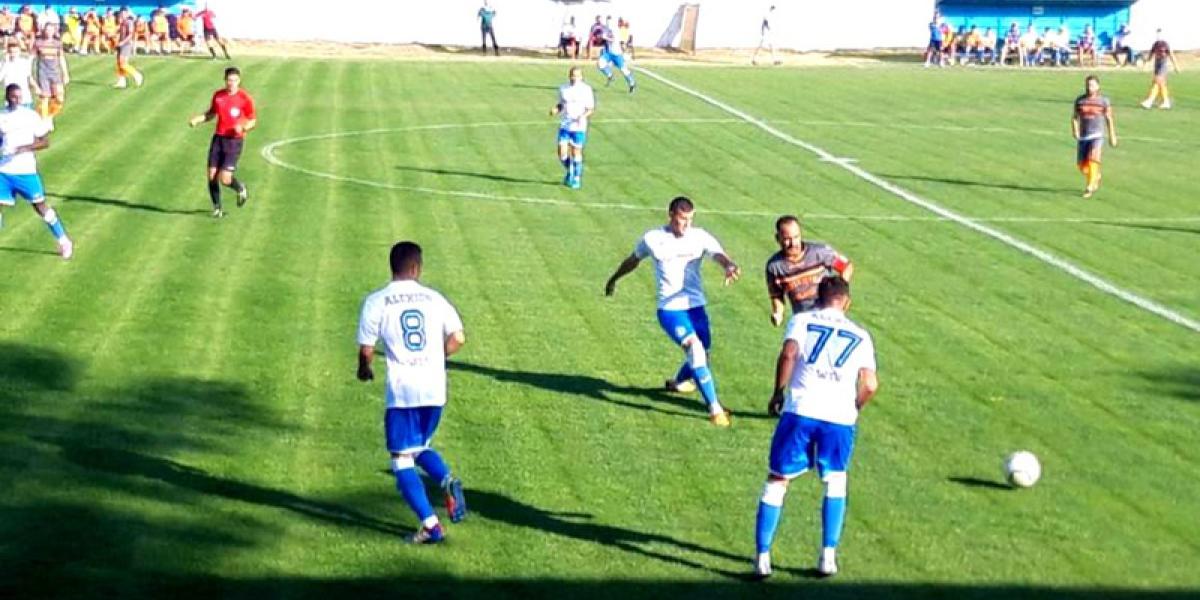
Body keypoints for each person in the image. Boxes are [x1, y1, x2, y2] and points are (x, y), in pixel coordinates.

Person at [753, 276, 878, 578]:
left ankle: (762, 558)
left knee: (778, 479)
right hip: (840, 417)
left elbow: (789, 354)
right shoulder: (861, 335)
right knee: (835, 480)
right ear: (847, 302)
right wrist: (854, 407)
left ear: (817, 298)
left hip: (801, 409)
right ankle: (828, 557)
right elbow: (871, 384)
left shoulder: (802, 320)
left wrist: (777, 392)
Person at [356, 241, 469, 544]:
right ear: (417, 268)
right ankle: (446, 480)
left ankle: (431, 526)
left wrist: (364, 369)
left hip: (404, 391)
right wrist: (437, 358)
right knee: (420, 445)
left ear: (392, 266)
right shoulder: (435, 298)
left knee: (400, 458)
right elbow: (459, 337)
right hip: (435, 388)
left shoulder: (377, 301)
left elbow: (367, 350)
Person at [605, 196, 742, 427]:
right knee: (695, 349)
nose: (686, 225)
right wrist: (614, 279)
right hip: (670, 310)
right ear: (670, 215)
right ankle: (715, 408)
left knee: (703, 354)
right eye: (681, 219)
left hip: (696, 306)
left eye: (690, 219)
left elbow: (718, 254)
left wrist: (729, 265)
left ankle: (678, 383)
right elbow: (633, 260)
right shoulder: (653, 239)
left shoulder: (699, 236)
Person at [0, 83, 72, 259]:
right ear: (7, 97)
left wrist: (23, 148)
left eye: (19, 97)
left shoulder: (30, 116)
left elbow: (44, 142)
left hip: (26, 172)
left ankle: (63, 240)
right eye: (13, 97)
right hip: (4, 172)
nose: (17, 100)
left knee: (40, 206)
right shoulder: (1, 116)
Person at [188, 66, 254, 218]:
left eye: (235, 80)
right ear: (225, 80)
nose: (232, 83)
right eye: (229, 80)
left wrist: (243, 127)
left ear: (239, 80)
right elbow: (211, 113)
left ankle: (240, 188)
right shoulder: (218, 96)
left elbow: (252, 119)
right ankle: (217, 208)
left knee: (225, 179)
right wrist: (198, 119)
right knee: (212, 175)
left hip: (234, 142)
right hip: (218, 139)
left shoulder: (245, 98)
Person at [765, 215, 853, 326]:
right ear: (778, 238)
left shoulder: (820, 252)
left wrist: (839, 290)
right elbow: (777, 295)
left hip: (827, 319)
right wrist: (778, 313)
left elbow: (846, 266)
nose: (793, 243)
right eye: (787, 239)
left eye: (796, 237)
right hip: (803, 322)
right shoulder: (774, 267)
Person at [1072, 75, 1118, 199]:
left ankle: (1090, 187)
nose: (1089, 87)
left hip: (1097, 135)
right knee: (1082, 165)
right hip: (1084, 136)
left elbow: (1109, 118)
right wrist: (1075, 130)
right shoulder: (1080, 101)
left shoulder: (1104, 101)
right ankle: (1095, 175)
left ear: (1098, 86)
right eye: (1088, 85)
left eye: (1092, 85)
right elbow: (1075, 117)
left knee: (1093, 159)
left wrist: (1112, 135)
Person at [549, 66, 594, 190]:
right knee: (561, 153)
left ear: (581, 77)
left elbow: (590, 109)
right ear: (569, 76)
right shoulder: (563, 88)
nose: (575, 78)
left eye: (577, 76)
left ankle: (576, 178)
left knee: (576, 152)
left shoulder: (586, 90)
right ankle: (570, 169)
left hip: (579, 126)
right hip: (565, 124)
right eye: (573, 75)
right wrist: (556, 109)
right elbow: (561, 104)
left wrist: (582, 116)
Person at [32, 25, 67, 125]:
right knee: (45, 98)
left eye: (51, 30)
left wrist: (65, 73)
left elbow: (61, 58)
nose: (49, 32)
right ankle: (44, 122)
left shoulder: (57, 44)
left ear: (54, 31)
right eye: (47, 30)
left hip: (55, 73)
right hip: (43, 73)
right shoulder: (38, 43)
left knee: (60, 98)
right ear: (44, 31)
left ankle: (49, 115)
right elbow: (32, 57)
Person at [1140, 29, 1180, 110]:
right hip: (1157, 65)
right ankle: (1166, 102)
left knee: (1157, 82)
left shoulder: (1165, 44)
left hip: (1163, 64)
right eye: (1157, 34)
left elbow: (1171, 55)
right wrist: (1145, 63)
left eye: (1159, 34)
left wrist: (1176, 66)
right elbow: (1150, 56)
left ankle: (1149, 101)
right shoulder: (1155, 44)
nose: (1158, 36)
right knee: (1161, 84)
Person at [597, 21, 635, 93]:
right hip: (609, 53)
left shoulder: (615, 31)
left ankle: (632, 83)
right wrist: (601, 37)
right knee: (600, 63)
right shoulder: (606, 30)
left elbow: (614, 40)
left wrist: (605, 37)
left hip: (617, 54)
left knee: (624, 70)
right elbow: (602, 38)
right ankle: (610, 75)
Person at [111, 8, 142, 89]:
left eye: (124, 14)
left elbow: (130, 34)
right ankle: (122, 81)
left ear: (127, 14)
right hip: (120, 44)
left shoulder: (129, 22)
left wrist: (122, 42)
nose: (122, 15)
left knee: (123, 63)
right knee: (119, 63)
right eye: (121, 14)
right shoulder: (122, 22)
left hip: (126, 44)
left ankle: (137, 75)